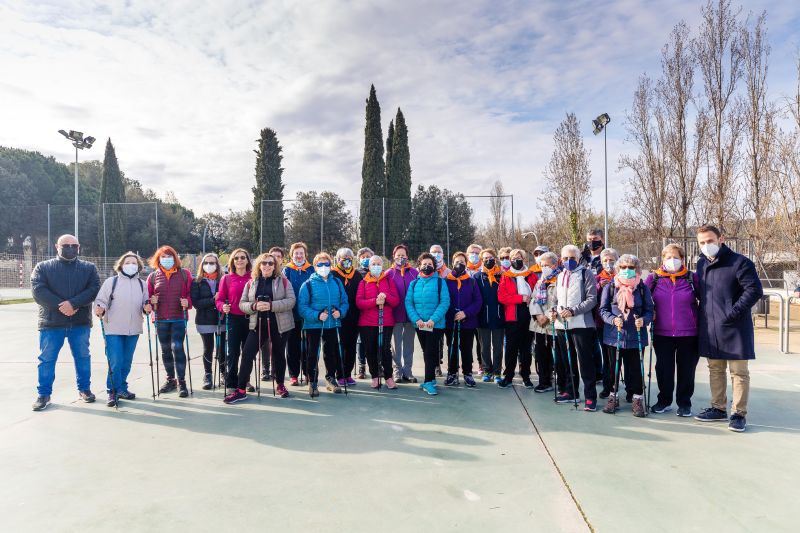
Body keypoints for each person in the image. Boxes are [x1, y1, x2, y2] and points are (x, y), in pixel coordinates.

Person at [694, 224, 763, 432]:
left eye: (710, 241)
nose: (707, 246)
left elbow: (754, 290)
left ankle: (738, 414)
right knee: (715, 369)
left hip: (736, 327)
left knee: (739, 372)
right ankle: (718, 408)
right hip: (711, 327)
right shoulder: (701, 264)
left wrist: (733, 313)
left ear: (720, 239)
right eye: (702, 243)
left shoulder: (740, 262)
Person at [31, 234, 100, 411]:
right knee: (46, 359)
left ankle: (84, 390)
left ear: (79, 247)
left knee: (83, 357)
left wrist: (74, 304)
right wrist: (63, 306)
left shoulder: (89, 268)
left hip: (80, 323)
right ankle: (44, 394)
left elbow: (94, 289)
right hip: (51, 323)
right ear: (57, 247)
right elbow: (38, 291)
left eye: (74, 245)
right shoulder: (42, 267)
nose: (70, 248)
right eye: (66, 245)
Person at [224, 252, 296, 403]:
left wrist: (271, 305)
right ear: (259, 265)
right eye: (264, 263)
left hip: (280, 325)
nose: (267, 266)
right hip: (257, 325)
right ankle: (241, 389)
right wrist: (254, 305)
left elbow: (291, 301)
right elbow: (242, 303)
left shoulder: (283, 281)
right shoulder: (251, 282)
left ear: (275, 266)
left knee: (278, 355)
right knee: (247, 354)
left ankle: (280, 384)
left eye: (271, 263)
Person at [645, 243, 700, 417]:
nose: (672, 261)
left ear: (683, 259)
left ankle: (684, 403)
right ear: (663, 259)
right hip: (662, 333)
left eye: (676, 257)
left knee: (687, 370)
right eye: (668, 257)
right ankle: (664, 400)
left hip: (689, 333)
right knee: (664, 370)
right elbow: (644, 300)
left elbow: (705, 300)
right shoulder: (653, 278)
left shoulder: (692, 278)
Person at [599, 254, 654, 417]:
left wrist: (643, 320)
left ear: (636, 269)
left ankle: (637, 399)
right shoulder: (610, 287)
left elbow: (649, 311)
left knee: (636, 370)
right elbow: (603, 310)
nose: (627, 270)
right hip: (613, 337)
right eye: (623, 267)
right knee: (612, 369)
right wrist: (612, 319)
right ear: (618, 269)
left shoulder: (642, 288)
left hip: (636, 336)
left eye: (631, 267)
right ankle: (613, 397)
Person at [94, 252, 152, 406]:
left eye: (134, 262)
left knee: (126, 362)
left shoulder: (142, 284)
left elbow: (146, 305)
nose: (131, 265)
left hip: (133, 329)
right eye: (127, 262)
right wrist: (100, 308)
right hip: (113, 328)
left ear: (138, 266)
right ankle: (112, 391)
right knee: (116, 361)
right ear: (121, 265)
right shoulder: (111, 282)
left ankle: (122, 388)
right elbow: (101, 301)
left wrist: (148, 308)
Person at [549, 245, 598, 410]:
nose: (569, 261)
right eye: (565, 258)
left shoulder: (586, 273)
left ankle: (590, 396)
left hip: (582, 324)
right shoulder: (559, 275)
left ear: (578, 259)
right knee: (566, 360)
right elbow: (555, 300)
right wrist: (553, 311)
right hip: (562, 326)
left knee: (585, 361)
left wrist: (573, 311)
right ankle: (571, 391)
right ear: (560, 259)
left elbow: (592, 299)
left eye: (572, 258)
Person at [297, 252, 349, 397]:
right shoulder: (307, 284)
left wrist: (341, 312)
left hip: (332, 324)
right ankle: (312, 381)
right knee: (313, 353)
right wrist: (317, 315)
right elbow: (302, 307)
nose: (324, 267)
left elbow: (344, 302)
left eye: (326, 264)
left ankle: (331, 379)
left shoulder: (337, 282)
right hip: (314, 325)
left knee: (330, 353)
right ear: (314, 266)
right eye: (320, 264)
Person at [147, 245, 193, 398]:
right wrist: (151, 301)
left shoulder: (185, 274)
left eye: (170, 256)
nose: (167, 259)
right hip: (160, 319)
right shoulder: (153, 277)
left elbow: (191, 295)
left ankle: (182, 381)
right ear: (158, 259)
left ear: (175, 258)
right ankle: (170, 380)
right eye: (163, 257)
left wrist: (187, 302)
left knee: (177, 347)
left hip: (179, 318)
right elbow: (147, 298)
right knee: (165, 350)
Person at [405, 252, 450, 396]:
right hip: (419, 325)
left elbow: (444, 302)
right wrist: (416, 320)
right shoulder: (414, 283)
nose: (426, 266)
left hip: (435, 325)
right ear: (419, 266)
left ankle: (429, 381)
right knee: (427, 352)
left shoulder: (440, 282)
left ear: (434, 266)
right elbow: (408, 303)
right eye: (424, 264)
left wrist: (432, 320)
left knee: (430, 352)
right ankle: (430, 378)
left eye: (429, 264)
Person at [356, 255, 401, 389]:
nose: (376, 266)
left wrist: (386, 298)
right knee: (370, 350)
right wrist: (374, 301)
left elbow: (396, 301)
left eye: (378, 264)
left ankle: (388, 377)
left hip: (385, 321)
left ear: (382, 266)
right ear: (369, 267)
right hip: (367, 323)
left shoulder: (388, 281)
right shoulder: (363, 282)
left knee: (385, 349)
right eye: (373, 264)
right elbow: (359, 303)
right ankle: (375, 376)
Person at [497, 248, 538, 388]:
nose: (516, 260)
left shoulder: (531, 275)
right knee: (511, 348)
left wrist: (531, 299)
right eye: (513, 258)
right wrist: (520, 298)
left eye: (519, 257)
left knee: (526, 348)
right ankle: (508, 376)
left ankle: (526, 376)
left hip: (529, 314)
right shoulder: (506, 276)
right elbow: (502, 297)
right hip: (512, 315)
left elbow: (538, 293)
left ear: (524, 259)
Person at [215, 248, 253, 392]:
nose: (240, 260)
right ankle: (231, 383)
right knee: (233, 352)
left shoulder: (253, 277)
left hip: (251, 319)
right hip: (233, 320)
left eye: (243, 257)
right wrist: (222, 307)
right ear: (232, 261)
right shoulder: (227, 278)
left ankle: (245, 380)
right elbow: (219, 299)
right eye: (236, 258)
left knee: (248, 352)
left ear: (247, 260)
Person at [444, 252, 483, 387]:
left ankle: (468, 373)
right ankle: (452, 373)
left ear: (466, 264)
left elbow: (478, 301)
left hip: (468, 322)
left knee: (467, 348)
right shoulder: (446, 281)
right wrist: (452, 314)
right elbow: (443, 300)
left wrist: (465, 313)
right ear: (452, 263)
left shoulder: (472, 281)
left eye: (462, 261)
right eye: (457, 261)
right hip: (451, 322)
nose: (459, 264)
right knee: (452, 348)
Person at [190, 253, 225, 390]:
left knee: (222, 349)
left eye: (212, 263)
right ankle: (208, 375)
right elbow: (196, 303)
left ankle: (223, 374)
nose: (209, 266)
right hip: (204, 321)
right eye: (206, 263)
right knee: (208, 348)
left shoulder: (223, 279)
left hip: (221, 319)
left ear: (217, 264)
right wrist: (213, 300)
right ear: (202, 265)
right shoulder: (196, 281)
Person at [529, 251, 561, 393]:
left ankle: (562, 381)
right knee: (541, 354)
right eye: (542, 265)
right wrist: (538, 315)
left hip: (555, 323)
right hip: (539, 325)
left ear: (555, 265)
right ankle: (544, 381)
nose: (544, 268)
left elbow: (561, 301)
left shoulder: (560, 280)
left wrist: (548, 315)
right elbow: (534, 299)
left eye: (547, 265)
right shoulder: (540, 281)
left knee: (559, 355)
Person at [387, 244, 419, 382]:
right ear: (394, 257)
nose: (401, 257)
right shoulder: (389, 273)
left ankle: (408, 371)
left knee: (409, 345)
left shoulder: (414, 273)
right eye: (398, 255)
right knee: (396, 345)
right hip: (395, 315)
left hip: (411, 316)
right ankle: (397, 371)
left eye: (403, 255)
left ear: (407, 256)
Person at [283, 242, 313, 386]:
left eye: (301, 253)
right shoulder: (287, 270)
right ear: (292, 255)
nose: (299, 256)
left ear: (305, 254)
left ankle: (308, 373)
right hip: (291, 313)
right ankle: (293, 375)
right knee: (292, 345)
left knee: (308, 345)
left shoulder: (312, 269)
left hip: (308, 313)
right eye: (296, 253)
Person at [331, 248, 362, 387]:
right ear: (338, 259)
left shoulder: (357, 275)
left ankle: (348, 374)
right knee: (339, 346)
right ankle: (340, 374)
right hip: (338, 316)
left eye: (349, 257)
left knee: (351, 346)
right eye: (344, 257)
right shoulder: (333, 274)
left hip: (354, 317)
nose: (347, 260)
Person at [475, 247, 504, 383]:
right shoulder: (477, 277)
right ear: (481, 261)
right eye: (485, 258)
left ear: (495, 258)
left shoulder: (502, 275)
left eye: (490, 258)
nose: (488, 260)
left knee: (498, 346)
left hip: (499, 316)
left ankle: (497, 372)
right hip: (483, 317)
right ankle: (487, 370)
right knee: (484, 346)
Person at [595, 248, 618, 399]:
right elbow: (590, 296)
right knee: (607, 357)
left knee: (623, 357)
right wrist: (599, 287)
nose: (608, 263)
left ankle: (630, 388)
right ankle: (608, 386)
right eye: (605, 261)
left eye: (611, 260)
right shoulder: (597, 278)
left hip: (620, 322)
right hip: (602, 323)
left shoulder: (622, 275)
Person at [355, 247, 374, 376]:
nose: (365, 259)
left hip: (373, 311)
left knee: (373, 340)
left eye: (368, 256)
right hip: (359, 310)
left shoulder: (377, 271)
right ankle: (362, 365)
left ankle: (377, 365)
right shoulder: (356, 273)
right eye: (363, 257)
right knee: (361, 340)